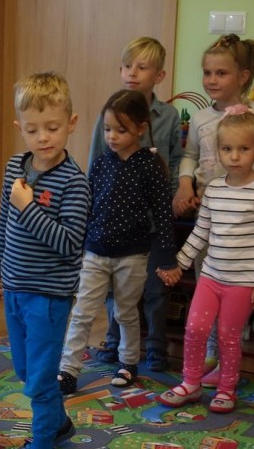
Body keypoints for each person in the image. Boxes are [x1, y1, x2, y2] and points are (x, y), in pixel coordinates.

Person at [0, 72, 90, 449]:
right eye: (32, 130)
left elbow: (69, 245)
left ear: (71, 123)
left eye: (52, 127)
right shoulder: (15, 167)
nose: (43, 137)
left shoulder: (74, 182)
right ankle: (59, 423)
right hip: (15, 289)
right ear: (20, 128)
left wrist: (28, 206)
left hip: (49, 297)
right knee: (25, 369)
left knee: (41, 379)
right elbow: (4, 221)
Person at [173, 34, 254, 386]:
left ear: (243, 76)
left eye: (221, 73)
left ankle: (227, 357)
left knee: (235, 296)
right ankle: (210, 354)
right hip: (210, 217)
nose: (212, 80)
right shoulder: (201, 118)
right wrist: (185, 183)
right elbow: (190, 156)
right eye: (207, 73)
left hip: (246, 225)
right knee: (208, 288)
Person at [156, 106, 254, 413]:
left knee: (228, 336)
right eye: (227, 149)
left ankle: (226, 389)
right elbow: (200, 233)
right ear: (218, 151)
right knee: (195, 329)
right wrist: (179, 263)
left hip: (242, 283)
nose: (234, 156)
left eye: (243, 149)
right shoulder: (213, 189)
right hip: (210, 278)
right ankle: (191, 383)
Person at [58, 89, 177, 394]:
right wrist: (77, 245)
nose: (111, 136)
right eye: (108, 129)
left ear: (140, 128)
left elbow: (163, 214)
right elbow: (87, 206)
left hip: (132, 256)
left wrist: (167, 258)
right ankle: (68, 370)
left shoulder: (150, 166)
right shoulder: (101, 163)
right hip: (95, 252)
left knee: (125, 312)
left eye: (120, 130)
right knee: (83, 312)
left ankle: (127, 363)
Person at [87, 37, 183, 371]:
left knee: (155, 288)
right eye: (127, 66)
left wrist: (172, 198)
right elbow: (96, 163)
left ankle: (156, 346)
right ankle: (114, 341)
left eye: (142, 67)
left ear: (159, 75)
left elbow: (174, 159)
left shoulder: (168, 116)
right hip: (115, 223)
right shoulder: (108, 114)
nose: (132, 73)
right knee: (115, 288)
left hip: (152, 221)